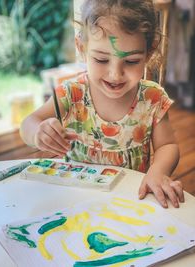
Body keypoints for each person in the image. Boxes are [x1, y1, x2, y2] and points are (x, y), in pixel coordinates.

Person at [20, 0, 184, 208]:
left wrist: (158, 172)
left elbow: (167, 146)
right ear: (82, 48)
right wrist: (37, 132)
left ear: (149, 53)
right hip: (73, 200)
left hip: (128, 202)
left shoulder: (152, 98)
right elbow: (29, 122)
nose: (115, 74)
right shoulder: (72, 93)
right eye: (101, 59)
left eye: (132, 61)